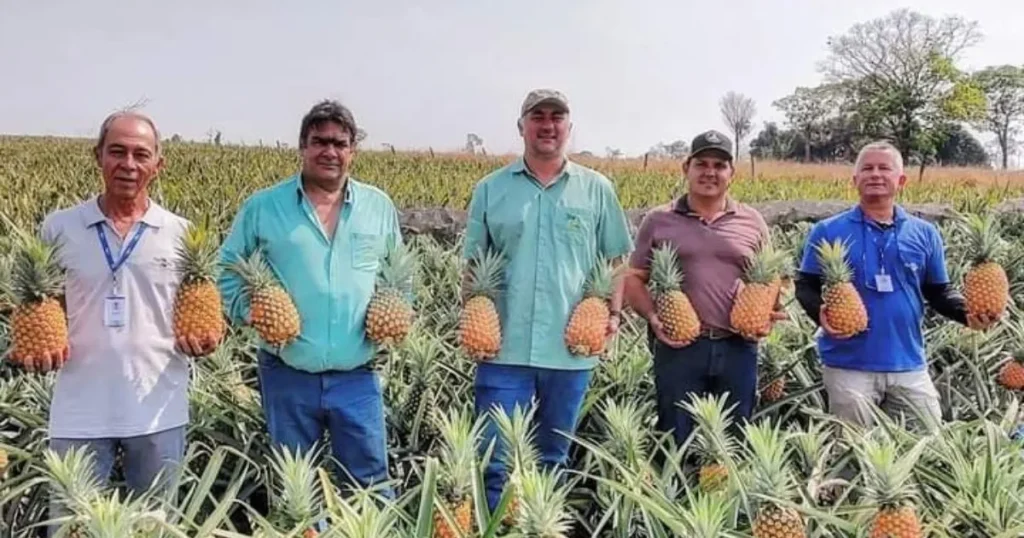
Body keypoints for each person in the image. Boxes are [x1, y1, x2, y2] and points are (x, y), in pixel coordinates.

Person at [36, 110, 214, 532]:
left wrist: (207, 338)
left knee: (155, 528)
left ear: (158, 164)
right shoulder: (59, 228)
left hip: (159, 412)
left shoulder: (180, 232)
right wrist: (37, 342)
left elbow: (200, 313)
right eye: (117, 151)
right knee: (72, 528)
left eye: (140, 154)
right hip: (78, 411)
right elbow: (44, 307)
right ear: (98, 155)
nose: (128, 164)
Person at [218, 99, 400, 498]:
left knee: (370, 485)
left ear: (352, 150)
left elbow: (398, 274)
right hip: (287, 373)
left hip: (357, 373)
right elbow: (226, 269)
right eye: (319, 141)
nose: (329, 151)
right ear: (302, 146)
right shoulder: (263, 207)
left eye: (339, 143)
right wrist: (252, 311)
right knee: (297, 490)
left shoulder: (378, 206)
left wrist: (398, 308)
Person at [462, 89, 634, 511]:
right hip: (503, 350)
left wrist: (612, 314)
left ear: (569, 127)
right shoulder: (490, 189)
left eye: (556, 117)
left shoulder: (597, 189)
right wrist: (473, 317)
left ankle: (542, 524)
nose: (547, 124)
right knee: (497, 460)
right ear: (521, 126)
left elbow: (616, 261)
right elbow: (473, 266)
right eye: (537, 116)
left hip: (571, 350)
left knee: (553, 459)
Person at [794, 140, 997, 430]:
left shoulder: (925, 233)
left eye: (884, 168)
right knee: (852, 448)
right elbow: (806, 284)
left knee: (927, 440)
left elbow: (938, 291)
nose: (875, 174)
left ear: (901, 180)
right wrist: (820, 312)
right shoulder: (827, 230)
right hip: (848, 365)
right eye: (867, 168)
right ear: (855, 180)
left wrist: (967, 313)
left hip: (908, 361)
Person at [622, 130, 780, 448]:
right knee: (676, 436)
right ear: (686, 168)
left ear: (732, 173)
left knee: (734, 439)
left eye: (719, 165)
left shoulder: (752, 221)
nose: (710, 172)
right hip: (678, 347)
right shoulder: (659, 220)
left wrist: (766, 311)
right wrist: (653, 316)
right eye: (702, 164)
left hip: (738, 346)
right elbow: (633, 277)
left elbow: (772, 276)